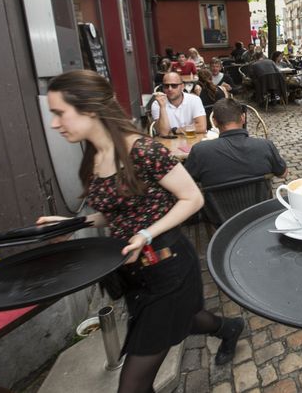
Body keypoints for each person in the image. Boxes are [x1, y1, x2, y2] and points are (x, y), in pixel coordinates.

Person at [37, 70, 244, 392]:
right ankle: (229, 327)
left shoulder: (144, 150)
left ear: (90, 109)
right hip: (133, 273)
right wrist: (75, 224)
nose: (54, 123)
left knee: (132, 384)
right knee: (187, 319)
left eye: (59, 113)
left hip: (167, 265)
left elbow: (192, 198)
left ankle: (228, 327)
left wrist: (147, 233)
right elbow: (119, 213)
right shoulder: (95, 155)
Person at [185, 98, 288, 187]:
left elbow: (187, 181)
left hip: (218, 209)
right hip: (259, 208)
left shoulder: (200, 151)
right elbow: (283, 173)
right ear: (243, 118)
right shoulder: (265, 146)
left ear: (214, 122)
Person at [151, 72, 207, 137]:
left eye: (174, 85)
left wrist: (176, 130)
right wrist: (162, 107)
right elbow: (164, 133)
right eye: (166, 86)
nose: (170, 89)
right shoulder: (157, 104)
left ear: (182, 86)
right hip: (169, 143)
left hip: (192, 141)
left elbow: (202, 127)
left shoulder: (194, 100)